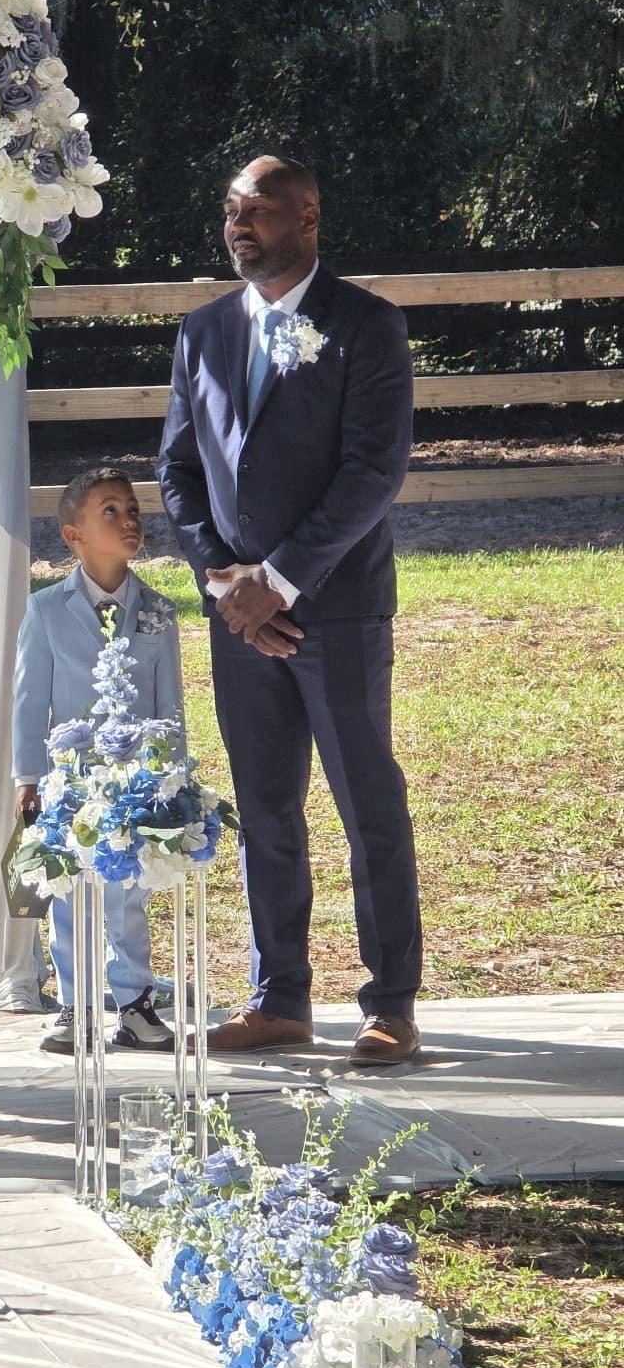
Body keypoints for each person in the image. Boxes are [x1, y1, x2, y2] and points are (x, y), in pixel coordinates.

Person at [156, 155, 422, 1066]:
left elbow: (373, 471)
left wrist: (281, 577)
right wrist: (225, 583)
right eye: (232, 211)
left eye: (258, 212)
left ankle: (391, 1003)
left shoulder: (366, 325)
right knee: (266, 808)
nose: (238, 226)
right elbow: (179, 470)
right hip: (240, 618)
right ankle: (280, 997)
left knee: (366, 804)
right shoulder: (203, 331)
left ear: (307, 219)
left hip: (334, 610)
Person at [13, 469, 183, 1056]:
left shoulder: (158, 610)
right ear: (73, 534)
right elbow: (29, 700)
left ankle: (134, 1002)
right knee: (68, 892)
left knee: (129, 892)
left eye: (132, 508)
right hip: (70, 780)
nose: (129, 519)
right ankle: (75, 1004)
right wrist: (28, 777)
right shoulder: (46, 610)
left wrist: (171, 777)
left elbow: (169, 702)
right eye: (110, 510)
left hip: (136, 782)